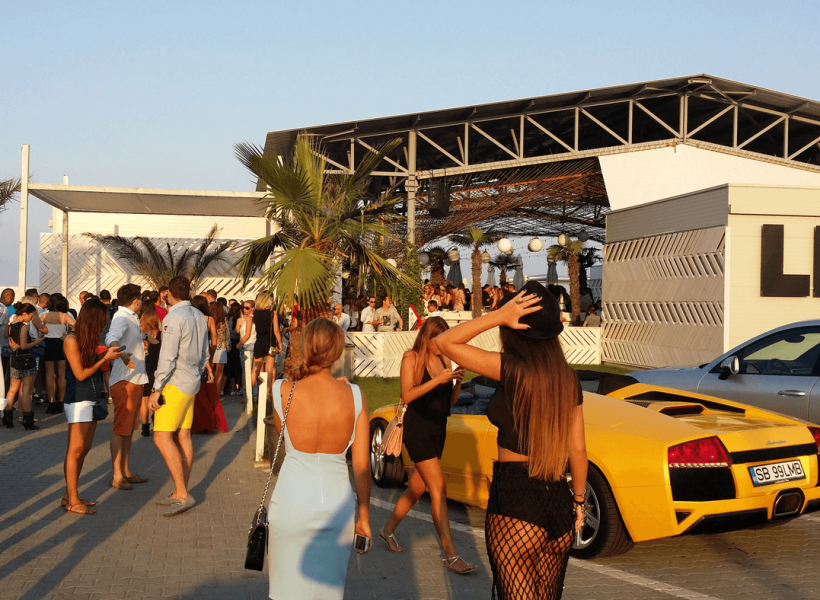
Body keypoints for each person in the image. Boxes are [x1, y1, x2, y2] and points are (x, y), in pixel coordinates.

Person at [436, 280, 588, 599]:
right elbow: (578, 449)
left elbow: (445, 342)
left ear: (516, 327)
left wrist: (498, 316)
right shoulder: (567, 377)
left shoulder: (511, 368)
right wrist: (578, 503)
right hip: (559, 500)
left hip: (517, 499)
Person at [268, 318, 371, 599]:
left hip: (291, 503)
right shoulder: (355, 396)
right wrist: (364, 516)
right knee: (327, 592)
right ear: (337, 351)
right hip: (336, 505)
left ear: (306, 346)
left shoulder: (281, 390)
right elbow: (362, 466)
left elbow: (281, 430)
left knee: (286, 591)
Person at [378, 317, 474, 573]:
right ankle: (452, 556)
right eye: (438, 339)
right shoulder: (412, 357)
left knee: (417, 489)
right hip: (418, 429)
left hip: (438, 429)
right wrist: (438, 380)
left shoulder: (445, 359)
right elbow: (408, 394)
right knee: (438, 487)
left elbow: (449, 403)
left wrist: (457, 382)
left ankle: (387, 530)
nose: (442, 344)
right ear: (427, 337)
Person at [148, 276, 212, 516]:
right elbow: (206, 350)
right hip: (192, 381)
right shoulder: (198, 314)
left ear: (167, 294)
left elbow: (167, 356)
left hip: (175, 384)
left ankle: (182, 492)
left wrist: (156, 388)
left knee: (162, 438)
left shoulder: (174, 317)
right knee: (183, 435)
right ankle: (179, 490)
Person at [62, 299, 124, 514]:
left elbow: (91, 364)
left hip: (92, 395)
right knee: (76, 449)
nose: (103, 326)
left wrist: (113, 355)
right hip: (78, 398)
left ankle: (70, 495)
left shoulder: (88, 340)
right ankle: (72, 500)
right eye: (101, 322)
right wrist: (103, 359)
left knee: (85, 448)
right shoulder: (71, 339)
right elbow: (80, 374)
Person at [105, 284, 149, 491]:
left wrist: (145, 339)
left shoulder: (130, 316)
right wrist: (120, 353)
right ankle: (117, 475)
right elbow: (111, 337)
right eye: (140, 298)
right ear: (135, 300)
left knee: (129, 429)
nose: (141, 301)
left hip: (135, 378)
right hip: (125, 380)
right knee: (121, 429)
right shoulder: (122, 317)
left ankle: (126, 471)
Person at [3, 303, 44, 429]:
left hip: (14, 358)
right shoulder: (23, 327)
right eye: (31, 316)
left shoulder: (11, 324)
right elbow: (24, 346)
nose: (31, 319)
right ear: (24, 314)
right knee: (26, 391)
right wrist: (36, 342)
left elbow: (7, 338)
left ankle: (7, 417)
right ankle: (27, 419)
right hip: (26, 359)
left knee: (12, 389)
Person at [42, 294, 75, 415]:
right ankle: (61, 402)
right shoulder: (65, 315)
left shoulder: (44, 315)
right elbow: (76, 327)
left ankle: (51, 402)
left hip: (48, 344)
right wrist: (69, 334)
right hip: (61, 343)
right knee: (62, 375)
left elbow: (37, 329)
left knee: (50, 375)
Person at [191, 296, 219, 434]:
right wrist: (211, 353)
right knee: (206, 387)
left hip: (192, 352)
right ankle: (208, 420)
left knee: (195, 389)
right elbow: (214, 338)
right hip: (206, 351)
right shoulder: (209, 319)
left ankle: (196, 422)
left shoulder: (191, 317)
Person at [251, 293, 281, 401]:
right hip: (270, 342)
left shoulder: (255, 313)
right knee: (269, 368)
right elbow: (276, 330)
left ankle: (250, 392)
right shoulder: (272, 313)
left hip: (259, 341)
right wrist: (280, 343)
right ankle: (267, 394)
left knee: (255, 367)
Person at [140, 303, 162, 437]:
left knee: (144, 399)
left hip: (144, 370)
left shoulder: (140, 336)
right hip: (157, 370)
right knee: (157, 396)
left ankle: (144, 426)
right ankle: (156, 421)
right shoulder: (161, 335)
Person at [235, 299, 256, 403]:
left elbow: (247, 335)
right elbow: (238, 331)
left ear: (253, 308)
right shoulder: (253, 318)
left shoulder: (249, 319)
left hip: (247, 345)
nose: (244, 309)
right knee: (253, 371)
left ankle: (247, 395)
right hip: (252, 345)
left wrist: (239, 344)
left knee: (247, 372)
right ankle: (254, 395)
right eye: (243, 307)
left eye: (247, 307)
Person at [225, 301, 243, 396]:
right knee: (237, 366)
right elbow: (237, 332)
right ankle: (235, 387)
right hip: (237, 342)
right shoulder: (238, 319)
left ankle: (229, 388)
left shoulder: (227, 319)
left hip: (229, 343)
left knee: (230, 365)